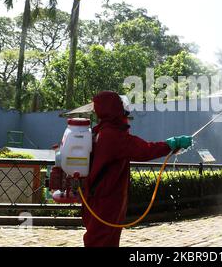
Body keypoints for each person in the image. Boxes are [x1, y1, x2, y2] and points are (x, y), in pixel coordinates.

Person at [82, 90, 192, 247]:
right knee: (102, 241)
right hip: (106, 199)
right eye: (119, 104)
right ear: (112, 108)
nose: (124, 107)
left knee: (99, 238)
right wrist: (171, 144)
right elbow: (144, 150)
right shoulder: (112, 135)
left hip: (96, 196)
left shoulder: (99, 131)